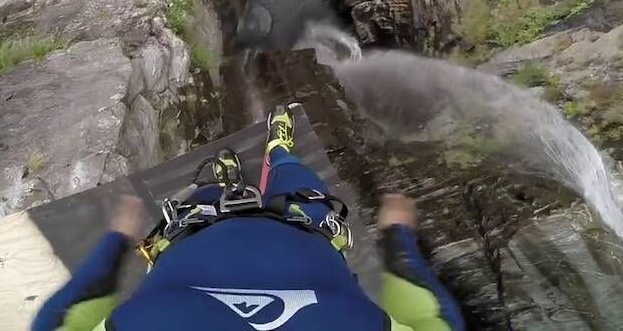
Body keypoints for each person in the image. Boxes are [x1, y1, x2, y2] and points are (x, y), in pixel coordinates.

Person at [33, 107, 465, 331]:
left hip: (202, 230)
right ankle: (277, 150)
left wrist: (396, 235)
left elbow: (62, 316)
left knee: (209, 197)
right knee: (292, 177)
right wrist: (398, 238)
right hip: (298, 224)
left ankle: (231, 181)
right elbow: (434, 318)